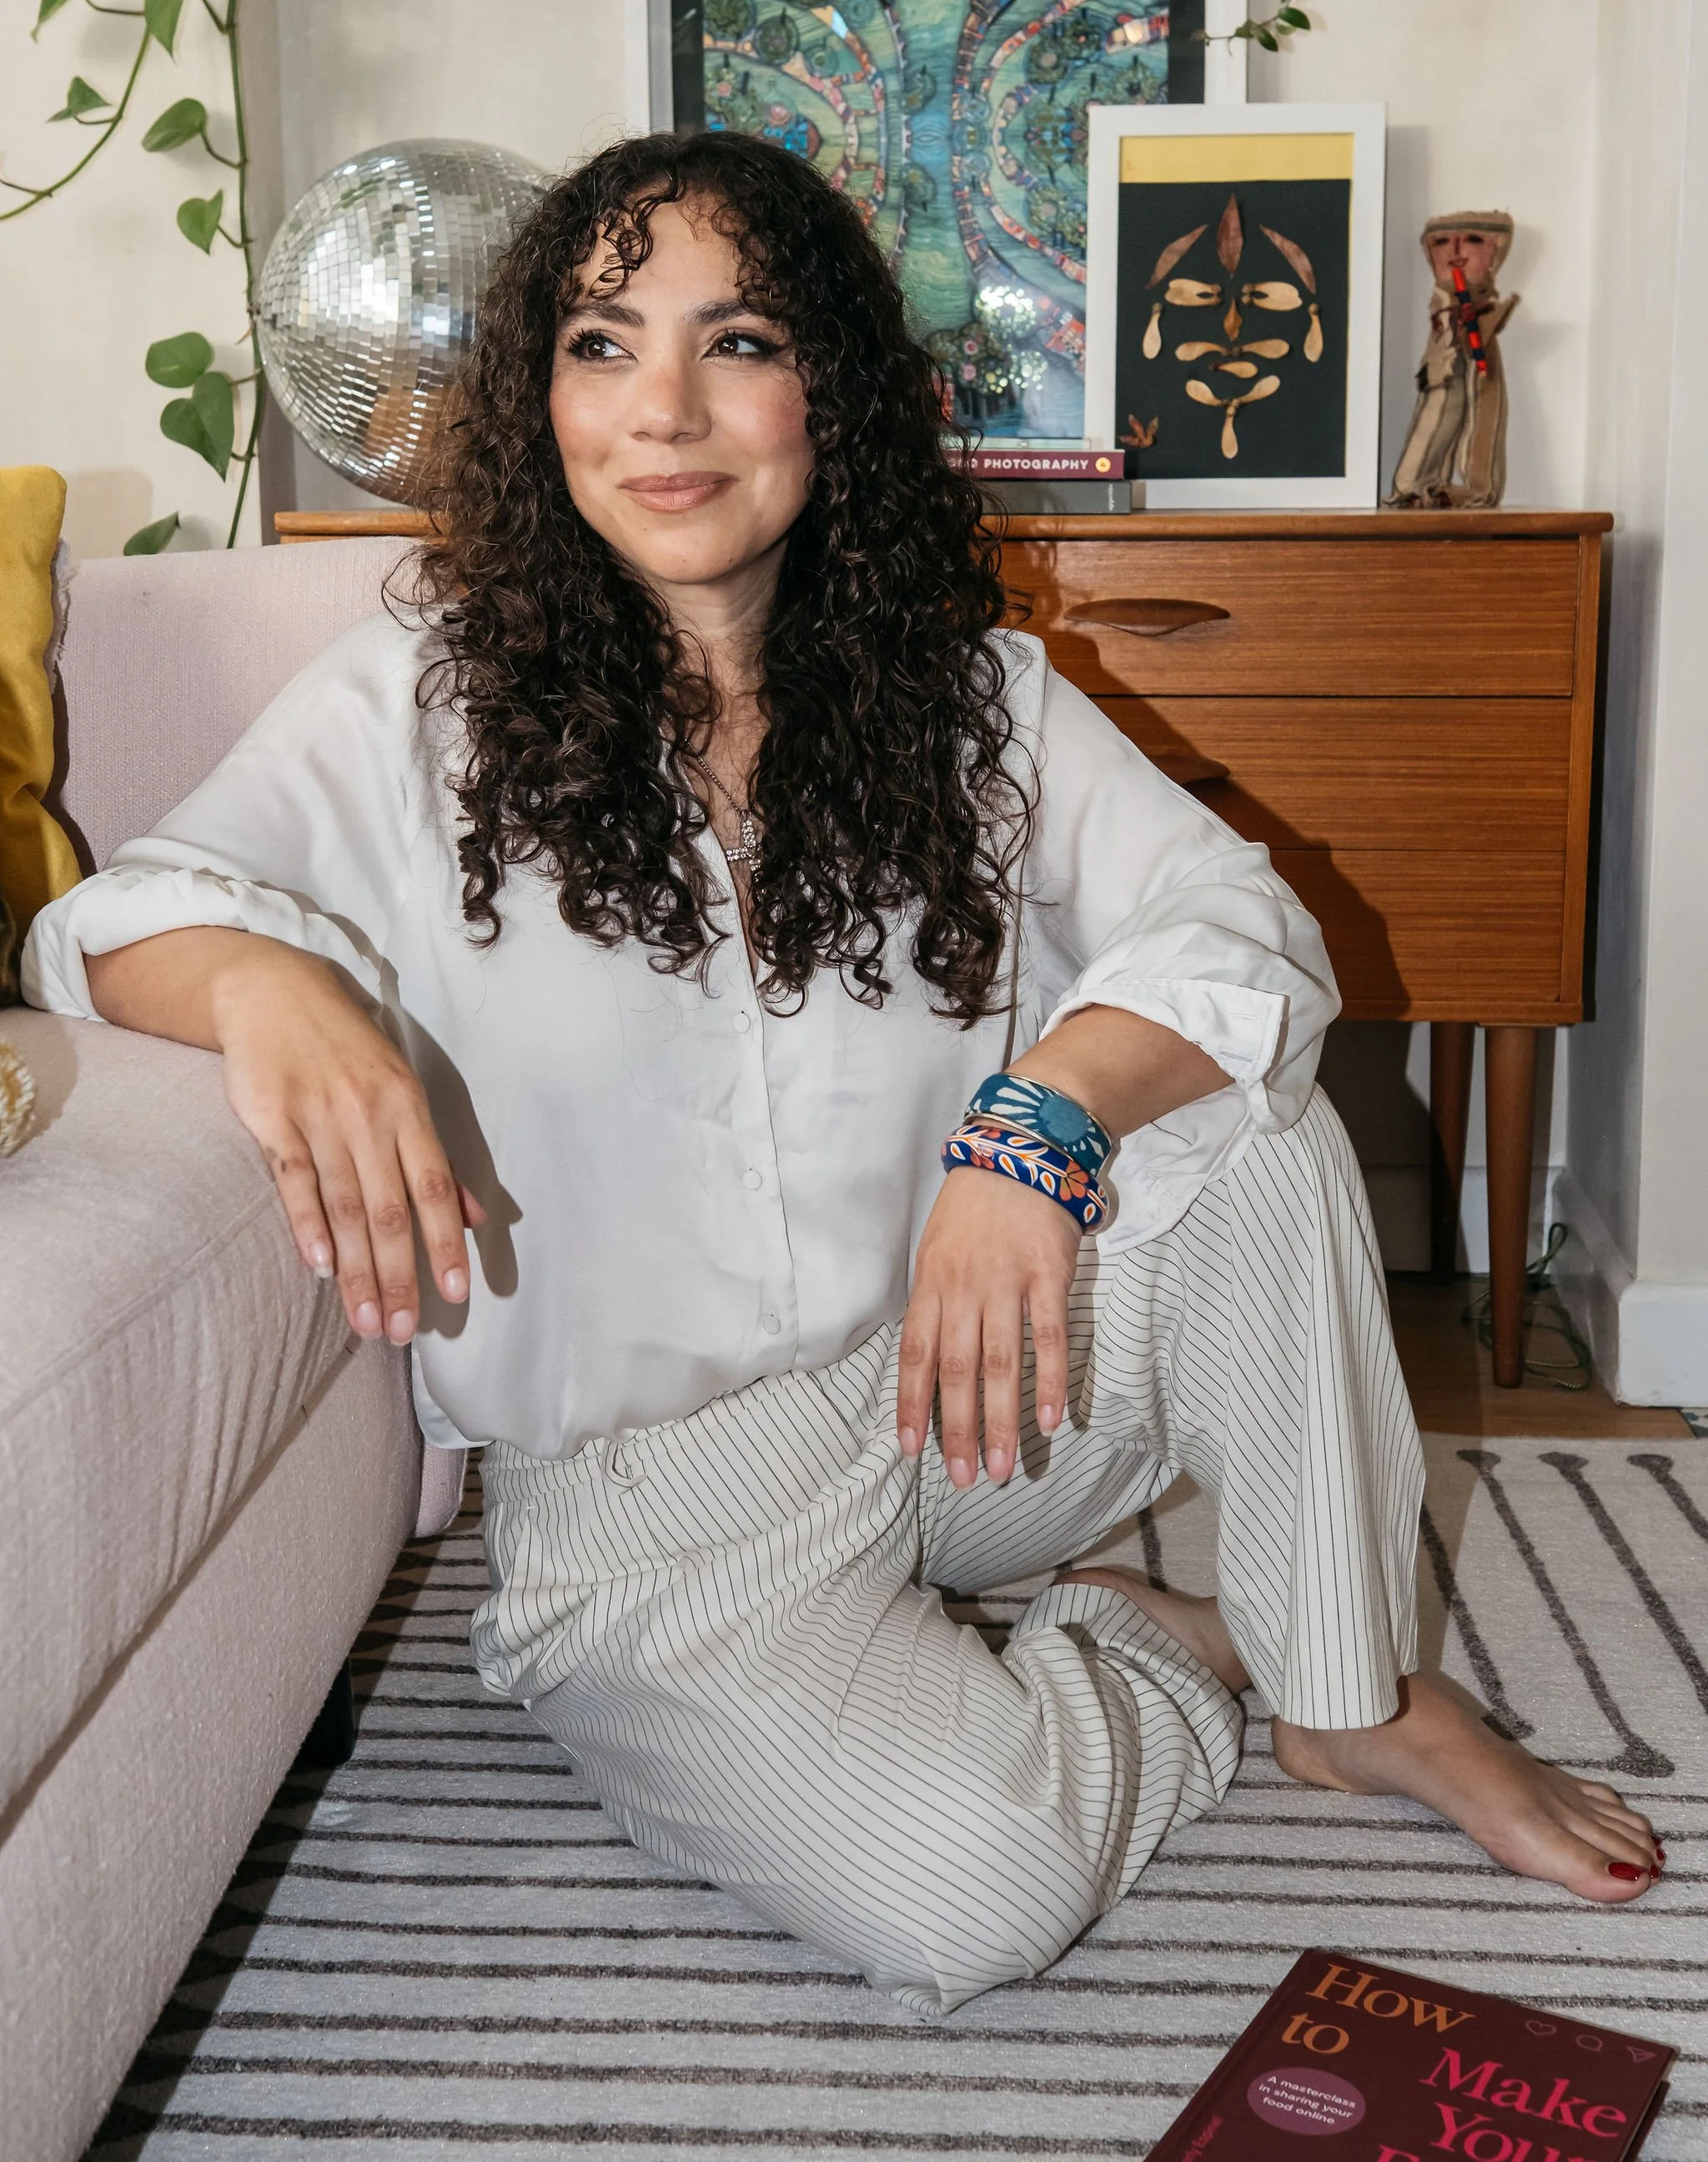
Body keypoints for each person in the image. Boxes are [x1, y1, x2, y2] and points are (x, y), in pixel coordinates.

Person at [24, 133, 1660, 2016]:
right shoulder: (421, 703)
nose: (664, 409)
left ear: (830, 393)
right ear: (538, 397)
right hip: (654, 1502)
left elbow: (1243, 934)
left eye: (736, 341)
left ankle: (1346, 1694)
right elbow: (110, 920)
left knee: (1248, 1121)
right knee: (968, 1897)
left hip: (966, 1383)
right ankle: (1138, 1646)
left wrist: (1033, 1129)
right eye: (599, 342)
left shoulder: (973, 702)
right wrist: (262, 986)